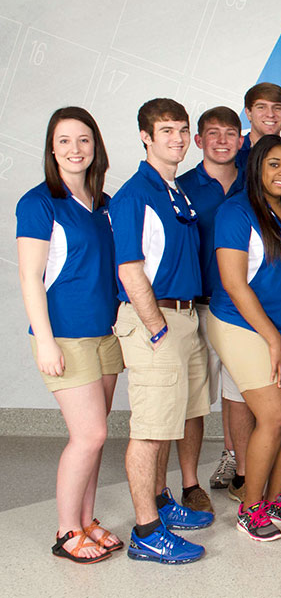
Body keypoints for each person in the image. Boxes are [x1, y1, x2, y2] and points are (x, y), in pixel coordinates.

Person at [17, 107, 123, 563]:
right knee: (90, 435)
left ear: (95, 146)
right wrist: (44, 340)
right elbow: (29, 279)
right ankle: (65, 532)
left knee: (96, 439)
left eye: (83, 140)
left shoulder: (104, 203)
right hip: (64, 337)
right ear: (51, 149)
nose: (75, 149)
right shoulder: (38, 203)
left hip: (103, 335)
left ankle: (86, 521)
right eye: (64, 141)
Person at [109, 98, 212, 564]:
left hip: (184, 318)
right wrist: (155, 330)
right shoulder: (135, 194)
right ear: (146, 137)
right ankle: (147, 530)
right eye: (166, 130)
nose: (176, 138)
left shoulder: (175, 191)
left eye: (181, 130)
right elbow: (130, 270)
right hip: (157, 321)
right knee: (150, 429)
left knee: (176, 417)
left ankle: (163, 500)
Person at [208, 135, 281, 542]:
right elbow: (235, 284)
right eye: (274, 164)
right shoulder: (235, 212)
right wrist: (274, 340)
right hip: (241, 324)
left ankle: (274, 499)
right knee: (273, 415)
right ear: (256, 167)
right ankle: (249, 508)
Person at [177, 106, 251, 506]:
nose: (222, 140)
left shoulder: (254, 185)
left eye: (230, 133)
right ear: (199, 140)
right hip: (196, 306)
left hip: (242, 309)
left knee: (241, 392)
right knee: (193, 399)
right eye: (213, 133)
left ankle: (241, 470)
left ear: (242, 141)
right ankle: (190, 484)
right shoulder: (181, 186)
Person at [237, 82, 281, 172]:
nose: (270, 114)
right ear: (248, 113)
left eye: (277, 108)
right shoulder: (232, 155)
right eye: (261, 107)